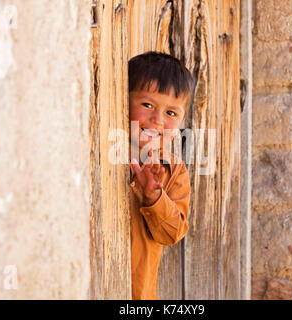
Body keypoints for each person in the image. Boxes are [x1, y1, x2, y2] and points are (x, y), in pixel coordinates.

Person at [128, 51, 193, 300]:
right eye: (147, 105)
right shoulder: (103, 151)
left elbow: (172, 233)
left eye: (171, 113)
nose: (157, 120)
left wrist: (155, 196)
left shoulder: (173, 170)